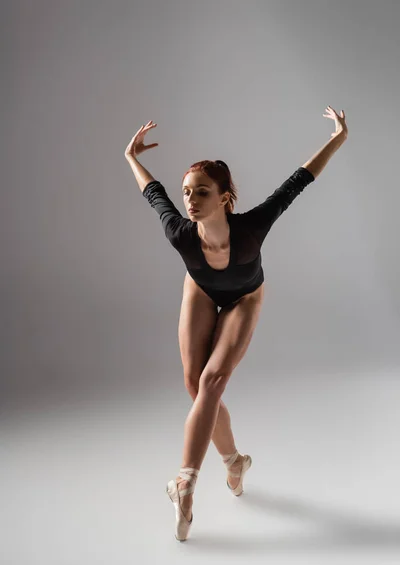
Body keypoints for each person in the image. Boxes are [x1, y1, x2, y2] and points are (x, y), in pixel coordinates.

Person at [125, 106, 348, 541]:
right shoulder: (180, 232)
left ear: (224, 198)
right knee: (195, 385)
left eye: (201, 192)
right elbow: (152, 191)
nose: (189, 200)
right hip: (201, 292)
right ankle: (234, 462)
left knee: (212, 385)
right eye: (187, 192)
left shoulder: (251, 228)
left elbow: (298, 181)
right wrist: (130, 155)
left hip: (246, 296)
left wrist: (338, 138)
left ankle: (184, 482)